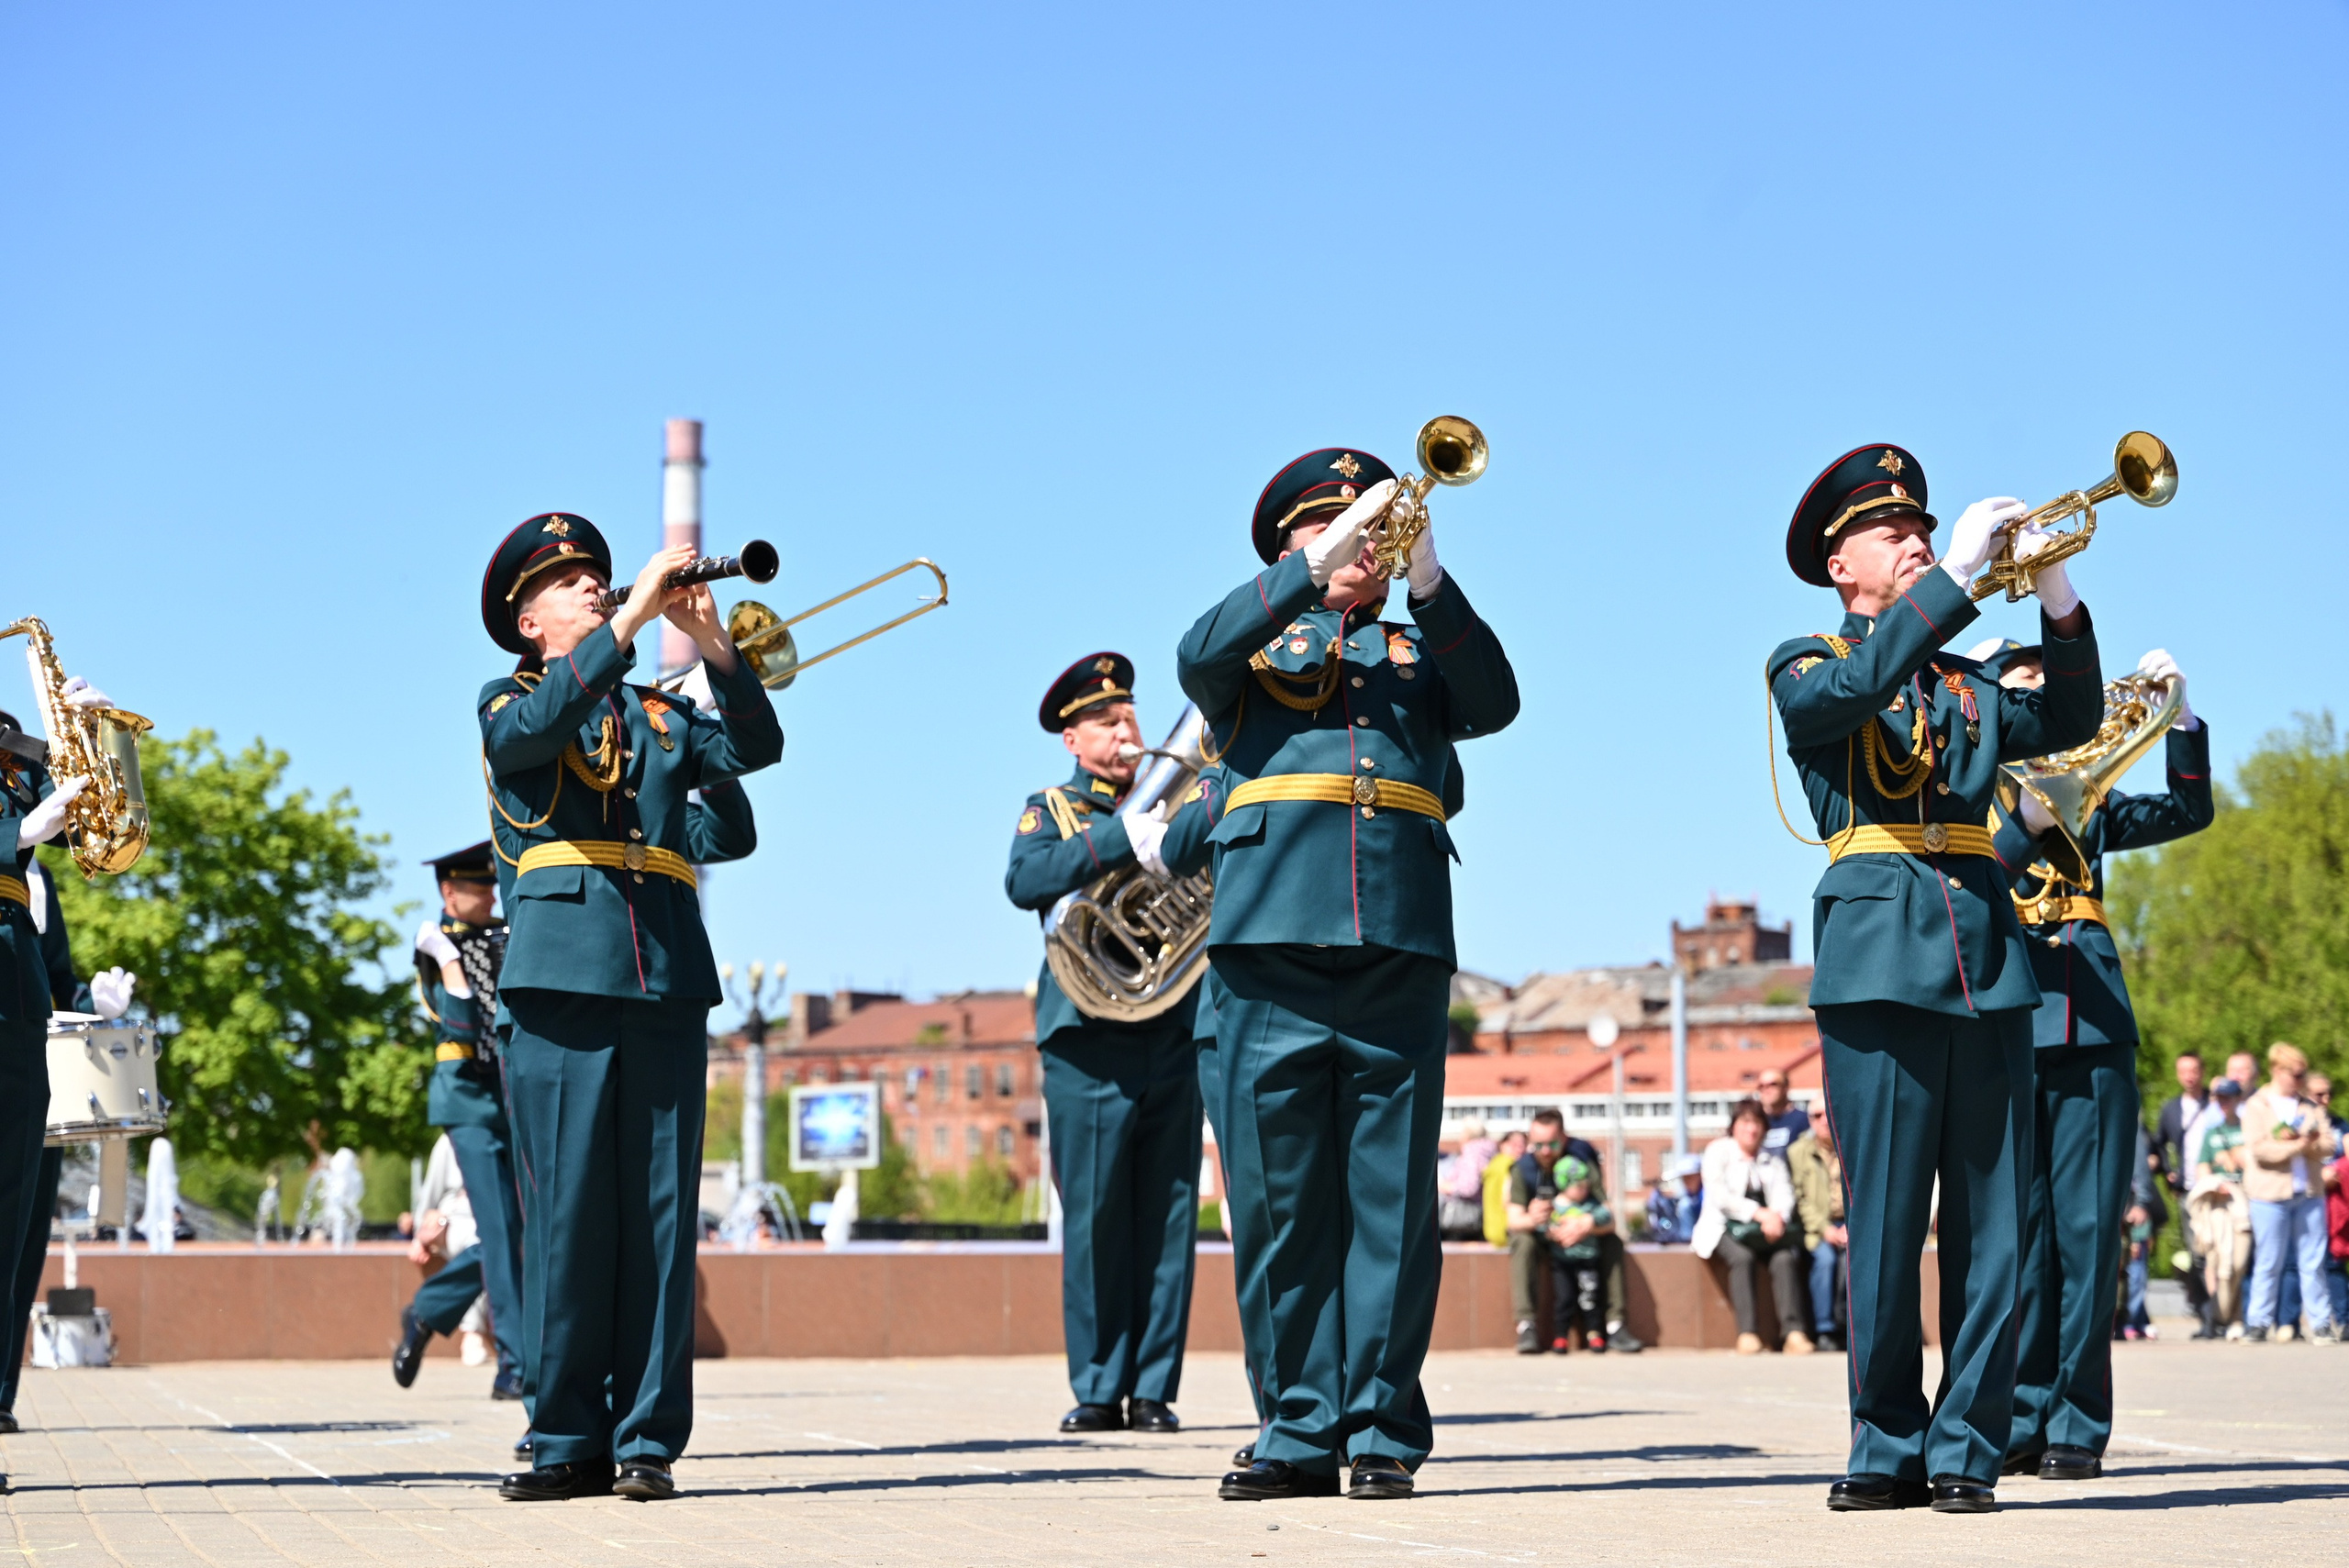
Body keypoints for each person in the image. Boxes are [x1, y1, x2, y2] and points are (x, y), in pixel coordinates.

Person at [1181, 443, 1518, 1502]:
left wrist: (1424, 575)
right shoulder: (1246, 646)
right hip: (1268, 938)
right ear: (1288, 543)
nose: (1358, 547)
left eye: (1371, 530)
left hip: (1398, 943)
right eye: (1333, 530)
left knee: (1390, 1205)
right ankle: (1295, 1425)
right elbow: (1195, 649)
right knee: (1279, 1207)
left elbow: (1497, 699)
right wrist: (1310, 567)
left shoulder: (1417, 650)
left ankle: (1379, 1425)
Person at [1769, 444, 2102, 1514]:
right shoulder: (1804, 657)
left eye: (1923, 526)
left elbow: (2073, 721)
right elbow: (1859, 692)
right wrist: (1958, 576)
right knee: (1883, 1220)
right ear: (1839, 568)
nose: (1914, 539)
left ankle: (1966, 1444)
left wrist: (2056, 597)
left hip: (1988, 961)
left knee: (1995, 1223)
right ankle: (1883, 1441)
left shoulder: (1969, 679)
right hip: (1876, 961)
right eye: (1891, 533)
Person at [478, 513, 783, 1503]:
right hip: (562, 976)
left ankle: (648, 1435)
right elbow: (541, 732)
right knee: (566, 1215)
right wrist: (636, 625)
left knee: (658, 1218)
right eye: (569, 584)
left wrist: (718, 645)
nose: (594, 589)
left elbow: (756, 752)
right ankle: (565, 1433)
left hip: (664, 980)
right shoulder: (509, 699)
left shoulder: (660, 711)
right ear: (529, 621)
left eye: (601, 579)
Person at [1980, 640, 2213, 1480]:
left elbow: (2188, 811)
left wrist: (2179, 718)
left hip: (2095, 1020)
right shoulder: (1968, 790)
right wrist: (2022, 825)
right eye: (2023, 682)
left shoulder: (2089, 796)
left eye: (2047, 681)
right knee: (2022, 1237)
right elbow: (1963, 879)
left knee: (2085, 1233)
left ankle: (2078, 1422)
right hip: (2008, 1017)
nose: (2042, 693)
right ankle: (2020, 1414)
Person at [1004, 653, 1221, 1436]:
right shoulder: (1053, 810)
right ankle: (1099, 1385)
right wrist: (1116, 841)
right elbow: (1025, 881)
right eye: (1105, 721)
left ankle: (1154, 1388)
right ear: (1072, 740)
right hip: (1088, 1034)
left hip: (1170, 1027)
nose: (1126, 729)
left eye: (1129, 715)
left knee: (1169, 1216)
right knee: (1096, 1215)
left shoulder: (1180, 799)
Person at [0, 777, 136, 1448]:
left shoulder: (41, 884)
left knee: (21, 1236)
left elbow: (56, 975)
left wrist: (95, 1002)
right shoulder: (16, 841)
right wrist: (15, 837)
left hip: (31, 1053)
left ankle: (1, 1392)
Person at [391, 843, 527, 1401]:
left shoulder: (504, 935)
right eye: (480, 888)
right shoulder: (434, 949)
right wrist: (449, 960)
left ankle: (427, 1310)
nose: (492, 895)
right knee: (500, 1230)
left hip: (516, 1097)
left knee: (520, 1232)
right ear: (450, 892)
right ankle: (515, 1365)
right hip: (469, 1103)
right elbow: (464, 1026)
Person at [1504, 1109, 1641, 1354]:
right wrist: (1535, 1219)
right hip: (1542, 1237)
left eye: (1552, 1143)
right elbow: (1513, 1220)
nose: (1546, 1151)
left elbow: (1609, 1217)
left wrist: (1586, 1223)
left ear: (1564, 1139)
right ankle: (1527, 1326)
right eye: (1539, 1145)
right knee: (1521, 1242)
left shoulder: (1582, 1161)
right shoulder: (1523, 1168)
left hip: (1582, 1238)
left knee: (1612, 1242)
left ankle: (1615, 1325)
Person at [2237, 1043, 2340, 1344]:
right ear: (2277, 1071)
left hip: (2308, 1192)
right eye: (2295, 1073)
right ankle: (2258, 1322)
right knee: (2269, 1261)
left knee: (2313, 1261)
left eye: (2303, 1073)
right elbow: (2261, 1150)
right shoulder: (2257, 1105)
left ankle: (2320, 1324)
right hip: (2269, 1195)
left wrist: (2306, 1142)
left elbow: (2330, 1144)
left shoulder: (2309, 1107)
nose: (2300, 1079)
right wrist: (2299, 1144)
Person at [1693, 1098, 1806, 1356]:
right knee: (1742, 1259)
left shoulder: (1771, 1157)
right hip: (1722, 1227)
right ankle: (1748, 1333)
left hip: (1764, 1229)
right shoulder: (1717, 1151)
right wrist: (1759, 1213)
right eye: (1745, 1122)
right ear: (1733, 1126)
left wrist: (1777, 1218)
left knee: (1785, 1259)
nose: (1751, 1130)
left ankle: (1793, 1332)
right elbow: (1720, 1196)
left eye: (1756, 1123)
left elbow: (1784, 1193)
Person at [2188, 1078, 2252, 1338]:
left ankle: (2222, 1314)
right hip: (2218, 1205)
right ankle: (2230, 1319)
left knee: (2239, 1262)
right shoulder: (2212, 1133)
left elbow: (2254, 1166)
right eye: (2219, 1098)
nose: (2223, 1102)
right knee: (2219, 1261)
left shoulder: (2249, 1129)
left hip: (2243, 1202)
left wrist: (2235, 1158)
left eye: (2228, 1097)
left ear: (2238, 1099)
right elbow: (2202, 1168)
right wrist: (2215, 1180)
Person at [2154, 1052, 2213, 1333]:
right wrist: (2168, 1172)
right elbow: (2159, 1144)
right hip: (2190, 1192)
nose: (2189, 1076)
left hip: (2219, 1188)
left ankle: (2227, 1314)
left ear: (2202, 1072)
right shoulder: (2171, 1109)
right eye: (2183, 1071)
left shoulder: (2216, 1102)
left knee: (2224, 1254)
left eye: (2194, 1070)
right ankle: (2207, 1317)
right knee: (2197, 1253)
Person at [1787, 1102, 1846, 1350]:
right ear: (1809, 1120)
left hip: (1848, 1224)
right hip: (1814, 1229)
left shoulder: (1850, 1145)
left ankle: (1847, 1327)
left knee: (1851, 1261)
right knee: (1825, 1261)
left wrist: (1852, 1225)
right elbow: (1799, 1199)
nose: (1824, 1119)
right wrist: (1825, 1229)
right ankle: (1824, 1329)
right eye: (1817, 1115)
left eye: (1829, 1112)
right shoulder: (1798, 1151)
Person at [1544, 1157, 1613, 1350]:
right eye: (1578, 1186)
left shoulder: (1589, 1205)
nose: (1584, 1189)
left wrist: (1589, 1220)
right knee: (1564, 1299)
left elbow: (1605, 1214)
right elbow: (1543, 1226)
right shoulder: (1555, 1207)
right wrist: (1551, 1233)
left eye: (1586, 1185)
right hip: (1562, 1261)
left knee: (1589, 1298)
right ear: (1564, 1184)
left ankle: (1594, 1333)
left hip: (1588, 1260)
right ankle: (1561, 1335)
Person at [1439, 1120, 1496, 1240]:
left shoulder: (1472, 1153)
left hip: (1465, 1216)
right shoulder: (1489, 1151)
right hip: (1482, 1212)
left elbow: (1468, 1188)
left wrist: (1446, 1187)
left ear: (1467, 1135)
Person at [1480, 1129, 1527, 1248]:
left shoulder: (1493, 1164)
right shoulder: (1512, 1166)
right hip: (1508, 1231)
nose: (1519, 1149)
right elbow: (1507, 1199)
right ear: (1502, 1145)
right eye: (1514, 1144)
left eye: (1523, 1145)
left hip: (1492, 1232)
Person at [1645, 1154, 1703, 1245]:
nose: (1686, 1182)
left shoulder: (1705, 1194)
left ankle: (1687, 1240)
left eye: (1689, 1177)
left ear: (1699, 1175)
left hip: (1703, 1238)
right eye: (1684, 1178)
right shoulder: (1691, 1194)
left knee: (1684, 1205)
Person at [1753, 1070, 1809, 1158]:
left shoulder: (1804, 1119)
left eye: (1772, 1085)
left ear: (1785, 1087)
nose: (1766, 1090)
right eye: (1761, 1086)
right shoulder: (1755, 1122)